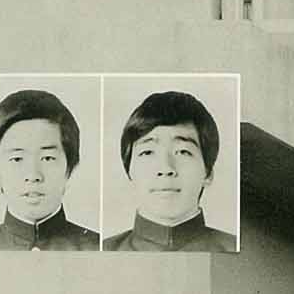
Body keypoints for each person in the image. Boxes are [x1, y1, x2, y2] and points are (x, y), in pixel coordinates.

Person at [101, 87, 236, 251]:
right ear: (129, 171)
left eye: (183, 152)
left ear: (208, 173)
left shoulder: (238, 251)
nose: (165, 168)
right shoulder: (103, 250)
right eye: (148, 152)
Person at [0, 87, 97, 251]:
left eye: (47, 158)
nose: (33, 175)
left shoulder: (96, 247)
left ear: (70, 169)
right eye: (17, 159)